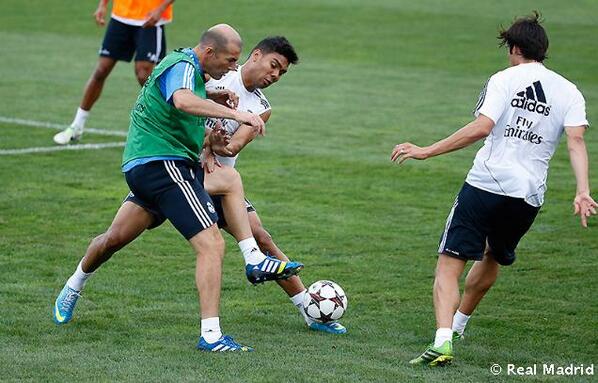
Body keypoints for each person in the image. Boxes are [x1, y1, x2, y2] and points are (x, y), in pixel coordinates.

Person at [53, 24, 303, 353]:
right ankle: (216, 328)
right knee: (214, 240)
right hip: (165, 168)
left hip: (169, 171)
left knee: (114, 238)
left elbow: (190, 120)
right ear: (210, 52)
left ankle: (73, 285)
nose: (231, 68)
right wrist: (234, 113)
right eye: (229, 60)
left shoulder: (200, 77)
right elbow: (184, 102)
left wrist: (212, 136)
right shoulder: (184, 66)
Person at [390, 12, 596, 366]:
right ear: (543, 50)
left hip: (486, 184)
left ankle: (442, 340)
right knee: (493, 255)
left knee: (449, 263)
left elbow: (482, 127)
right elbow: (576, 141)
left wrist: (426, 150)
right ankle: (459, 325)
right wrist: (582, 190)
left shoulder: (503, 80)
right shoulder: (569, 91)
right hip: (528, 196)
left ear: (514, 48)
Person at [202, 36, 347, 334]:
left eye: (281, 73)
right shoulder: (218, 74)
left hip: (220, 182)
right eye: (274, 66)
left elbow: (232, 147)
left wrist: (216, 144)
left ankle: (310, 310)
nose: (275, 76)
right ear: (255, 55)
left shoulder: (261, 107)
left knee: (261, 238)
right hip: (178, 173)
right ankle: (76, 283)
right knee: (117, 236)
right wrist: (206, 143)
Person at [54, 0, 175, 145]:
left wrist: (161, 8)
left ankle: (169, 126)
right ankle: (77, 126)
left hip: (150, 18)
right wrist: (103, 5)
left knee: (144, 75)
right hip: (121, 16)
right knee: (101, 70)